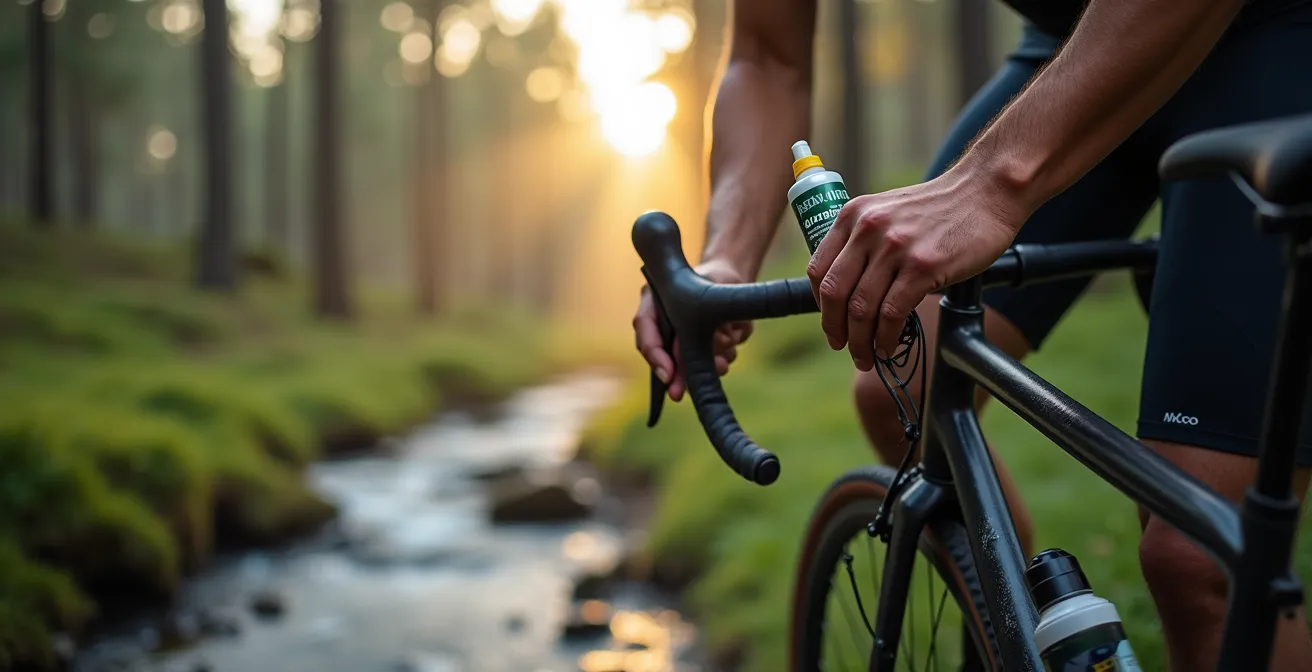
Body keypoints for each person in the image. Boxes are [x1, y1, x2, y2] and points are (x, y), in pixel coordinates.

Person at [632, 0, 1312, 668]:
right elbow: (767, 58)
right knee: (902, 385)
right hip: (1070, 46)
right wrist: (724, 260)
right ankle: (1032, 641)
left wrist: (990, 182)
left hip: (1264, 32)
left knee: (1200, 559)